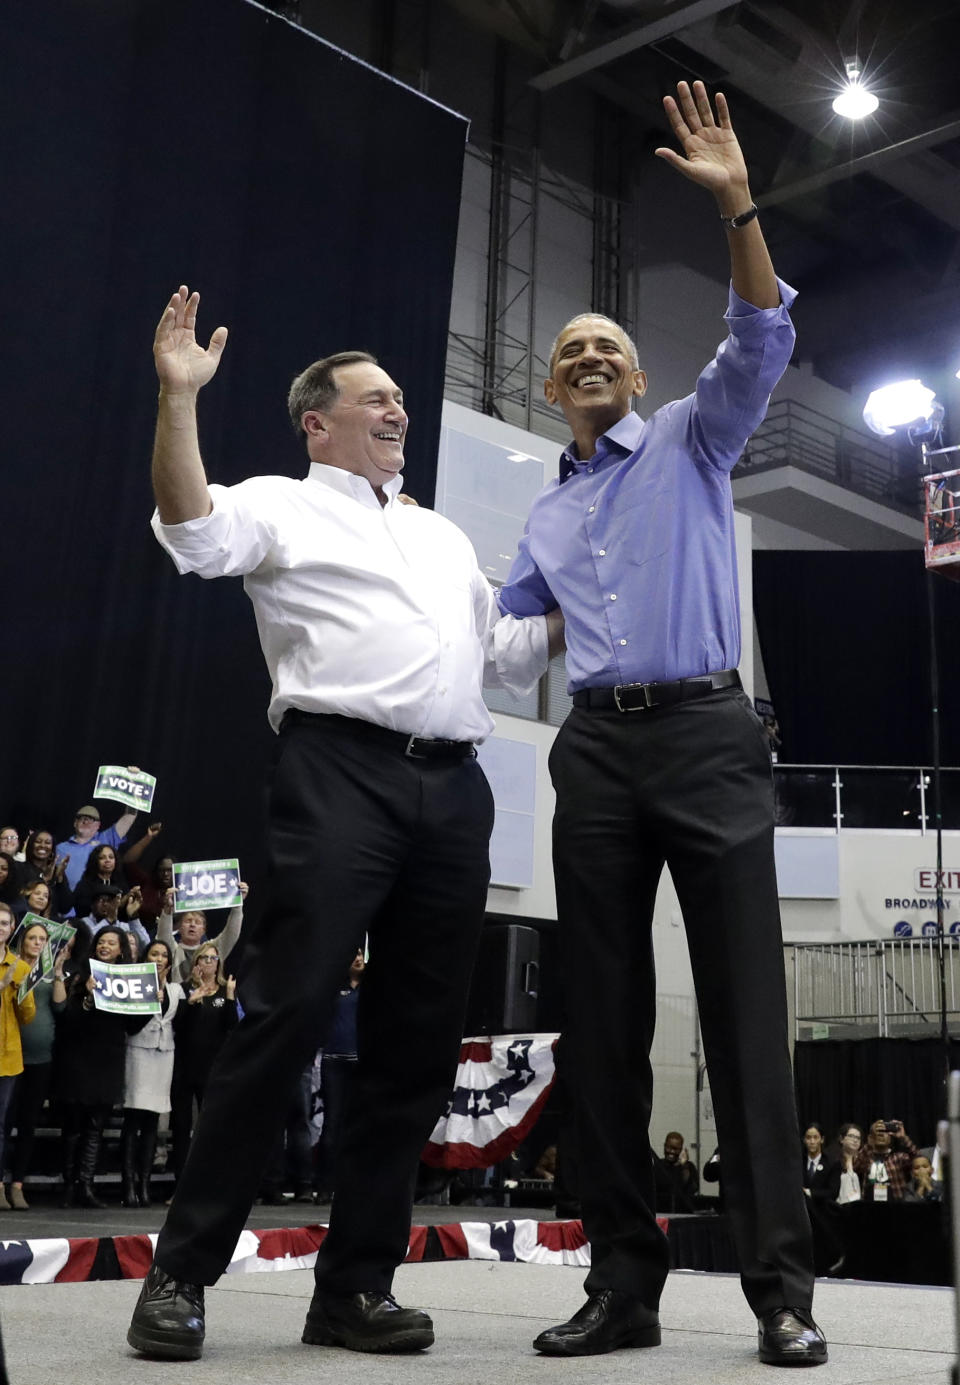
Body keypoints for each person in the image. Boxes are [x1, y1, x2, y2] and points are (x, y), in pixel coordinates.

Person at [126, 284, 557, 1362]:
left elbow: (510, 650)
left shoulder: (447, 537)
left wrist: (613, 580)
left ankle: (354, 1287)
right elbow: (188, 528)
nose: (398, 410)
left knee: (415, 1049)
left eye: (401, 398)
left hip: (456, 791)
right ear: (317, 420)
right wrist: (179, 398)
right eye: (377, 399)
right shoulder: (281, 500)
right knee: (282, 1013)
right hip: (339, 770)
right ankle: (179, 1274)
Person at [498, 81, 824, 1366]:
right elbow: (501, 632)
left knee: (745, 1012)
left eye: (609, 348)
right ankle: (622, 1284)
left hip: (706, 734)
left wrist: (738, 201)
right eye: (570, 349)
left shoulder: (694, 436)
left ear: (635, 376)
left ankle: (781, 1293)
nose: (588, 357)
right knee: (603, 1017)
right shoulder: (545, 517)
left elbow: (762, 336)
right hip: (596, 750)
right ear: (549, 385)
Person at [53, 927, 147, 1207]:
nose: (105, 946)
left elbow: (133, 1027)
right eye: (101, 941)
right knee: (73, 1126)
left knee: (96, 1127)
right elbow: (67, 1020)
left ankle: (87, 1185)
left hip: (108, 1060)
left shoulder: (130, 979)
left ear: (121, 950)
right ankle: (69, 1185)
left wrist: (152, 1004)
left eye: (111, 943)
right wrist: (87, 998)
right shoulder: (82, 974)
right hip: (77, 1058)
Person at [7, 921, 68, 1209]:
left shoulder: (46, 971)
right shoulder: (10, 966)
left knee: (28, 1124)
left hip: (41, 1058)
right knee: (4, 1123)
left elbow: (59, 1008)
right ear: (22, 940)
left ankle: (18, 1185)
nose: (37, 942)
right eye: (32, 937)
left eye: (42, 938)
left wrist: (58, 974)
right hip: (10, 1056)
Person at [169, 943, 237, 1188]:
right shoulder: (184, 989)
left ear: (219, 962)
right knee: (181, 1126)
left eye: (213, 958)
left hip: (211, 1068)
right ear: (196, 962)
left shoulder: (224, 990)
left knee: (209, 1127)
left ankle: (209, 1183)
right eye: (204, 957)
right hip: (185, 1067)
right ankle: (181, 1184)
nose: (209, 962)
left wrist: (229, 998)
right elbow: (178, 1027)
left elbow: (231, 1027)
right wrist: (192, 1001)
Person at [121, 939, 184, 1207]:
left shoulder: (176, 989)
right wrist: (149, 1000)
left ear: (169, 962)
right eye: (153, 954)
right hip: (138, 1051)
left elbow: (180, 1024)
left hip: (163, 1055)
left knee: (151, 1124)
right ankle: (128, 1185)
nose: (158, 958)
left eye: (162, 955)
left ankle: (144, 1184)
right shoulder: (135, 987)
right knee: (133, 1119)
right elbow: (131, 1025)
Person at [313, 949, 363, 1203]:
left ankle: (353, 1187)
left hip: (360, 1063)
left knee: (357, 1126)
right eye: (352, 954)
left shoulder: (371, 989)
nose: (357, 958)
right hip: (334, 1062)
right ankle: (325, 1186)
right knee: (331, 1125)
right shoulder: (335, 987)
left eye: (361, 954)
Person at [0, 902, 36, 1209]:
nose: (0, 927)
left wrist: (20, 988)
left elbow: (27, 1016)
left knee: (0, 1125)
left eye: (4, 923)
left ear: (12, 929)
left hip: (7, 1057)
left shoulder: (21, 967)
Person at [156, 888, 246, 984]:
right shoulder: (173, 950)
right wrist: (167, 909)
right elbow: (163, 935)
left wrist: (237, 906)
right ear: (180, 928)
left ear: (204, 930)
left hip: (207, 996)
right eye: (188, 921)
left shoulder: (212, 950)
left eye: (197, 922)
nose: (192, 925)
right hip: (179, 997)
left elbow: (231, 934)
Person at [56, 803, 138, 892]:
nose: (85, 821)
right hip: (65, 903)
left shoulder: (106, 839)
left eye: (91, 819)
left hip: (95, 903)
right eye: (81, 818)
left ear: (98, 825)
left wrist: (134, 796)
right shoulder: (60, 848)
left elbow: (130, 816)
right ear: (75, 823)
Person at [854, 1118, 919, 1201]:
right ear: (870, 1137)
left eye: (885, 1132)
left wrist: (903, 1137)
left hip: (896, 1207)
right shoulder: (865, 1157)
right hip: (869, 1208)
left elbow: (919, 1159)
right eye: (878, 1131)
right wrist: (868, 1144)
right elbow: (855, 1167)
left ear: (890, 1137)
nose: (881, 1134)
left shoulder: (898, 1158)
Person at [652, 1132, 699, 1213]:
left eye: (676, 1149)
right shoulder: (657, 1166)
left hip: (682, 1214)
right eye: (669, 1148)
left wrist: (684, 1166)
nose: (672, 1152)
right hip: (661, 1213)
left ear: (681, 1149)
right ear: (664, 1146)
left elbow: (693, 1188)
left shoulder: (688, 1167)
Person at [801, 1124, 839, 1202]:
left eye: (815, 1137)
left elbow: (833, 1192)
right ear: (804, 1140)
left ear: (822, 1139)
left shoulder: (832, 1163)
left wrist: (810, 1192)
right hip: (802, 1211)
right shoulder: (799, 1162)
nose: (812, 1141)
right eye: (808, 1138)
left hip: (823, 1211)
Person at [835, 1124, 862, 1204]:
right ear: (841, 1139)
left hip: (859, 1207)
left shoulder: (862, 1162)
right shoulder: (835, 1161)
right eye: (851, 1136)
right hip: (839, 1206)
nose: (855, 1140)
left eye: (858, 1138)